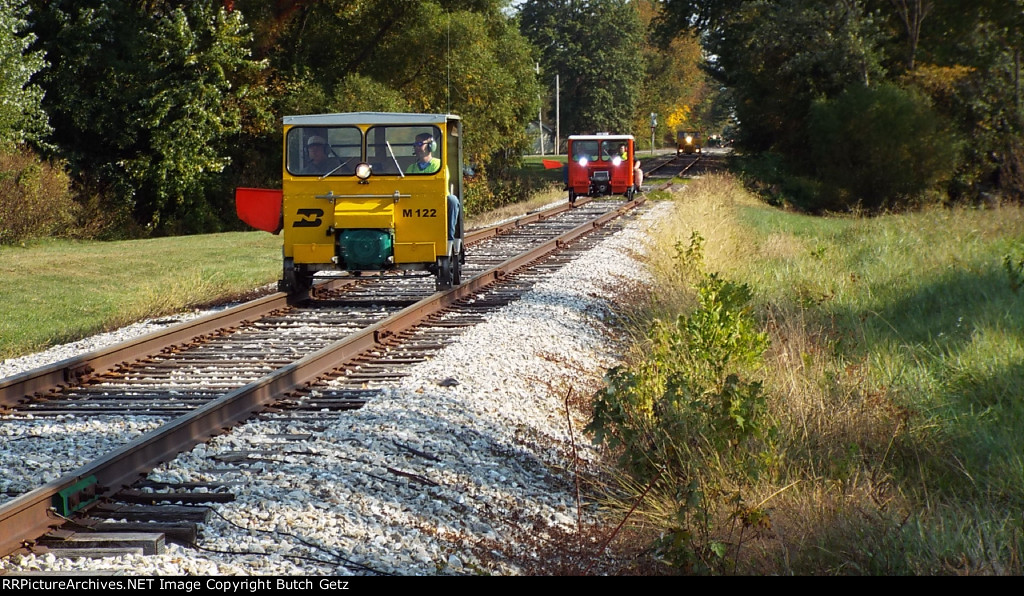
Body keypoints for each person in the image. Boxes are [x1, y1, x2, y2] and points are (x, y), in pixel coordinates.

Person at [406, 132, 461, 243]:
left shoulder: (439, 165)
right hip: (417, 202)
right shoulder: (411, 168)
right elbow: (406, 186)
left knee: (453, 200)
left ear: (431, 146)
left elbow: (437, 184)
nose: (416, 146)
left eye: (420, 143)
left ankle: (449, 238)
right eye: (415, 144)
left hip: (437, 201)